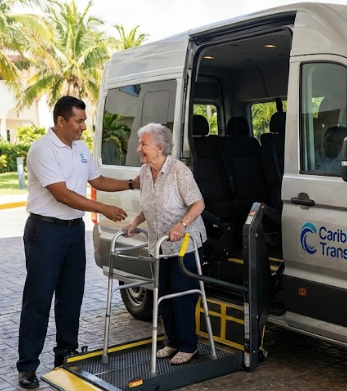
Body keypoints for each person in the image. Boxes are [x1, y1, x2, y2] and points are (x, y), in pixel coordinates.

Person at [17, 96, 136, 389]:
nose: (84, 126)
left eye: (84, 120)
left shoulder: (80, 148)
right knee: (39, 298)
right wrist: (103, 209)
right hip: (45, 232)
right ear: (61, 121)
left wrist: (134, 183)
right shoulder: (42, 150)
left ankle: (66, 354)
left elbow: (98, 181)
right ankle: (28, 366)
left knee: (71, 295)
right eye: (79, 121)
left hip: (71, 231)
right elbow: (63, 194)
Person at [124, 123, 207, 365]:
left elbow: (199, 204)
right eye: (140, 144)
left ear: (160, 148)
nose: (139, 148)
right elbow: (148, 204)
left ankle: (188, 346)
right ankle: (172, 342)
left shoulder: (179, 170)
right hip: (159, 244)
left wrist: (182, 225)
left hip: (184, 245)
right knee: (165, 294)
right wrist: (135, 221)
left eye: (143, 144)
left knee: (182, 296)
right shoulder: (144, 172)